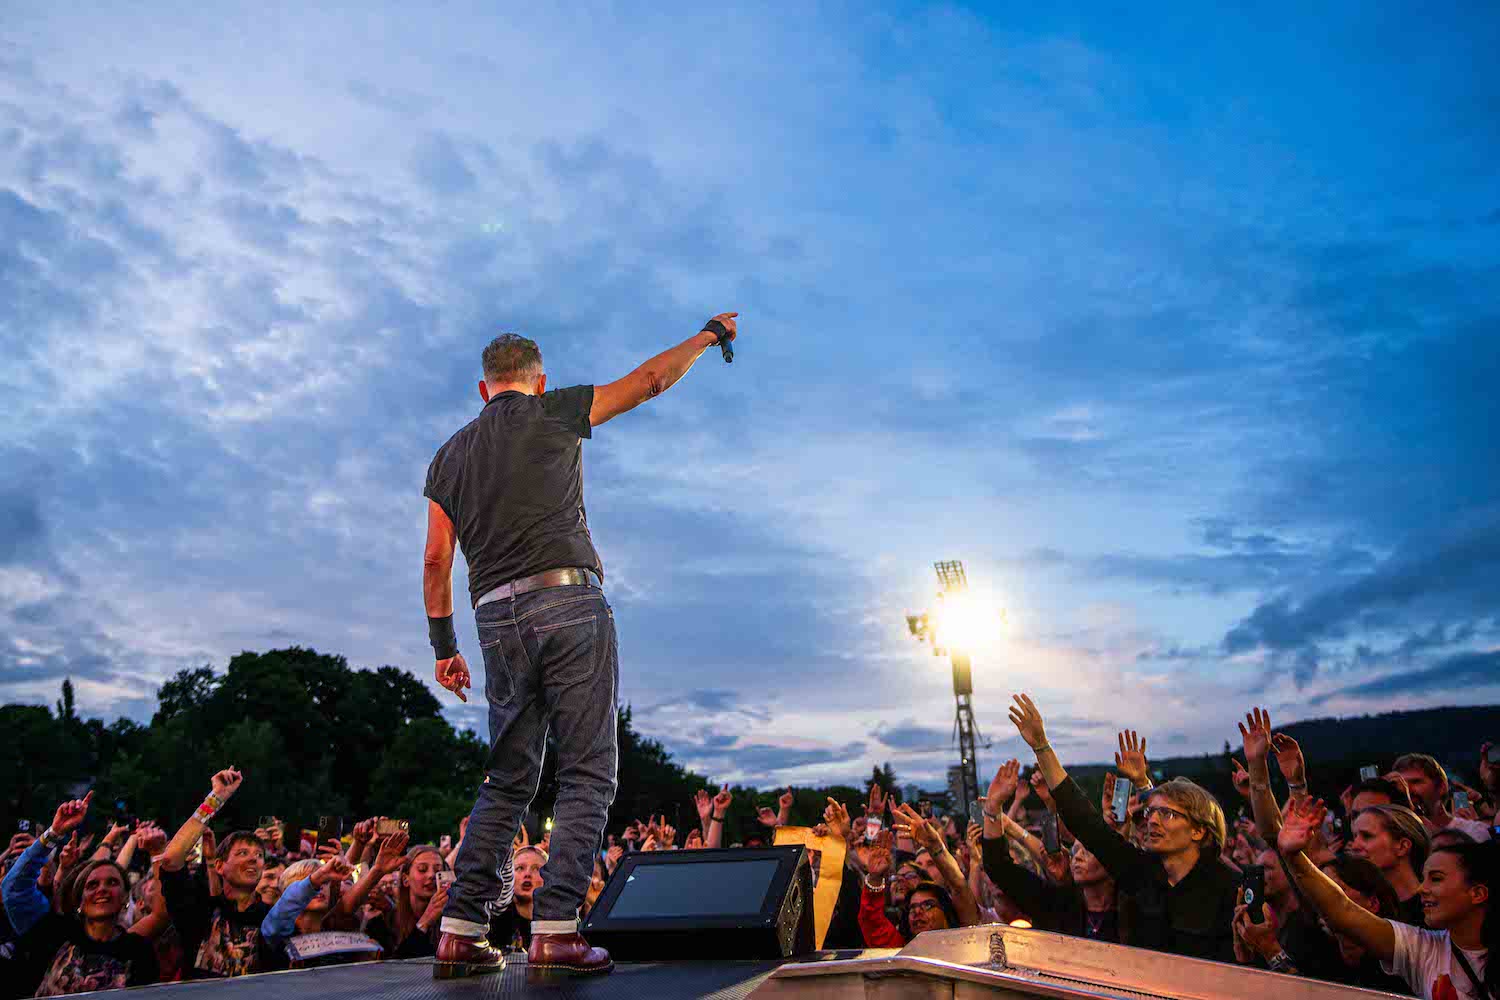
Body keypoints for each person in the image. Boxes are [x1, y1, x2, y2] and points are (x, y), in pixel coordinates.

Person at [422, 316, 740, 978]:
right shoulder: (552, 411)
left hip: (492, 618)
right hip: (566, 600)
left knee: (509, 775)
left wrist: (443, 645)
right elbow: (649, 381)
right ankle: (557, 928)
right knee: (588, 767)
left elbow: (434, 559)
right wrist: (706, 336)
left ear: (484, 390)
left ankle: (459, 930)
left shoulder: (448, 456)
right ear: (537, 381)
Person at [1008, 694, 1238, 962]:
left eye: (1167, 814)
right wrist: (1042, 747)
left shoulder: (1227, 887)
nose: (1152, 820)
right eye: (1151, 813)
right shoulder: (1143, 873)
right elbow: (1085, 822)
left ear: (1199, 830)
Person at [1277, 797, 1495, 1000]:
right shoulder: (1421, 949)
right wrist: (1293, 855)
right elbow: (1341, 910)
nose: (1422, 888)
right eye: (1425, 878)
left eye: (1436, 879)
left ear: (1478, 893)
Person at [980, 759, 1119, 943]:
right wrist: (993, 809)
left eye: (1088, 850)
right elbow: (998, 867)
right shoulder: (1057, 905)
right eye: (1075, 850)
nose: (1077, 856)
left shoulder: (1136, 908)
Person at [157, 768, 273, 979]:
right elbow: (171, 859)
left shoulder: (271, 916)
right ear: (219, 866)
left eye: (258, 855)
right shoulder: (200, 908)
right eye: (242, 853)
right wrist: (216, 798)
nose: (252, 859)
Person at [1348, 805, 1431, 926]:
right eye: (1355, 837)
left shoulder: (1432, 908)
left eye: (1367, 836)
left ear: (1402, 846)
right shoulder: (1362, 904)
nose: (1354, 846)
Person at [1393, 753, 1493, 842]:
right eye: (1401, 784)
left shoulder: (1475, 831)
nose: (1406, 789)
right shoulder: (1392, 836)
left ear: (1441, 786)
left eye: (1415, 782)